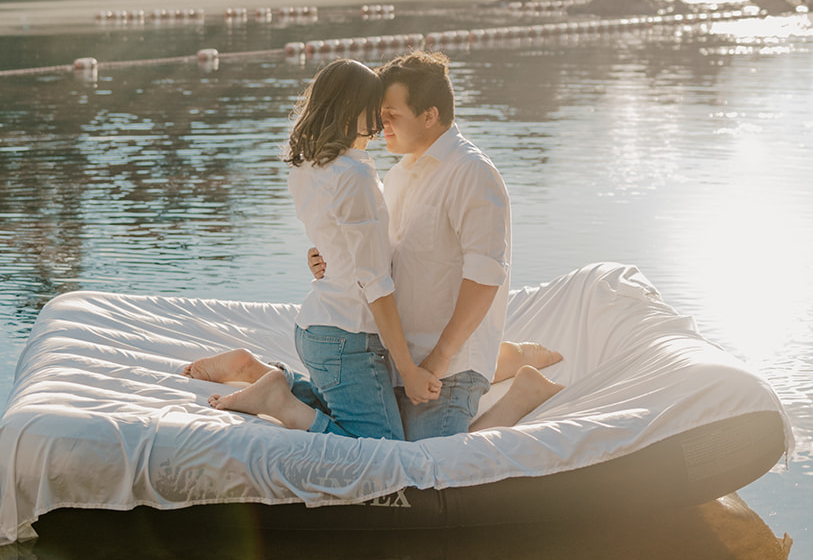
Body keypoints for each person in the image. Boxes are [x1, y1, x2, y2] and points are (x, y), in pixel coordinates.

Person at [182, 59, 441, 436]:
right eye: (377, 106)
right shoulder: (355, 175)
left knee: (344, 410)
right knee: (382, 451)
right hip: (347, 337)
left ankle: (259, 375)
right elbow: (373, 280)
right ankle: (280, 401)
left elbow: (334, 238)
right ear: (353, 109)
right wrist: (407, 368)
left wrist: (324, 257)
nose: (384, 116)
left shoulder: (308, 168)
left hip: (318, 327)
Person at [375, 51, 561, 438]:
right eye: (381, 113)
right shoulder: (396, 177)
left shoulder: (472, 173)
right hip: (401, 362)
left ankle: (520, 392)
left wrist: (439, 361)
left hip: (449, 367)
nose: (382, 124)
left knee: (429, 465)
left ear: (429, 115)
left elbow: (485, 276)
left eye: (393, 114)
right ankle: (508, 358)